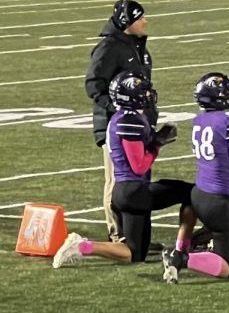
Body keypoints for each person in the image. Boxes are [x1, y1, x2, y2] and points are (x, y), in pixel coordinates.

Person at [54, 72, 194, 270]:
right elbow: (139, 166)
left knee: (135, 254)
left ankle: (84, 246)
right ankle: (184, 247)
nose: (147, 95)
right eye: (142, 92)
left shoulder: (123, 117)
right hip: (134, 190)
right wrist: (157, 145)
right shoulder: (130, 121)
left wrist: (154, 139)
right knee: (190, 192)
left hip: (126, 191)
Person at [162, 73, 229, 283]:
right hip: (223, 200)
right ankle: (181, 257)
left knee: (224, 244)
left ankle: (184, 251)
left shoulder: (200, 119)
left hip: (200, 195)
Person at [85, 0, 154, 243]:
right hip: (116, 126)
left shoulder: (137, 46)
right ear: (128, 22)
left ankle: (135, 234)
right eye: (140, 18)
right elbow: (94, 85)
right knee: (117, 179)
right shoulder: (109, 48)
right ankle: (118, 235)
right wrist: (119, 109)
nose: (145, 21)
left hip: (139, 125)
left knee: (139, 178)